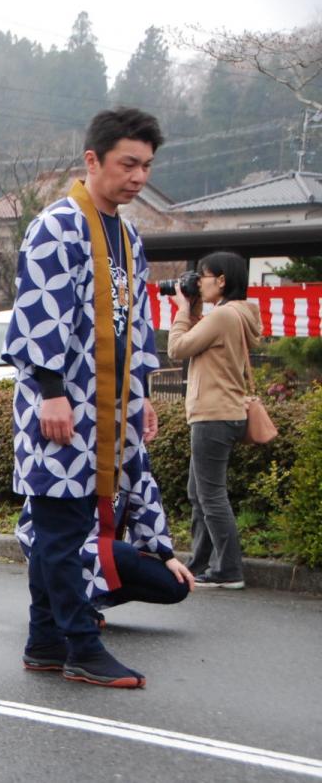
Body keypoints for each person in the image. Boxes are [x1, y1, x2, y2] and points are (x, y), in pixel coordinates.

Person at [3, 107, 168, 689]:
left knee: (67, 525)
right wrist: (50, 392)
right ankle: (80, 643)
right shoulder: (57, 225)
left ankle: (45, 640)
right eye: (128, 163)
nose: (139, 177)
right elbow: (38, 313)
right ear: (92, 159)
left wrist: (142, 393)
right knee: (61, 526)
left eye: (147, 165)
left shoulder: (127, 234)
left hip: (108, 407)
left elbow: (138, 326)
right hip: (62, 404)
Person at [168, 251, 261, 590]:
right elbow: (199, 340)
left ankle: (228, 570)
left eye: (203, 276)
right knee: (199, 492)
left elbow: (178, 347)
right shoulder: (234, 315)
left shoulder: (224, 316)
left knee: (211, 494)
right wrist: (192, 309)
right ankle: (202, 562)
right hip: (222, 413)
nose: (199, 282)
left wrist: (180, 310)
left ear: (221, 280)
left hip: (214, 416)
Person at [16, 510, 192, 622]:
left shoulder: (128, 454)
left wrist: (167, 555)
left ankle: (88, 602)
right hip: (60, 546)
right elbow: (28, 527)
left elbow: (143, 495)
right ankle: (65, 603)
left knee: (177, 586)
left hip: (105, 549)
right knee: (124, 554)